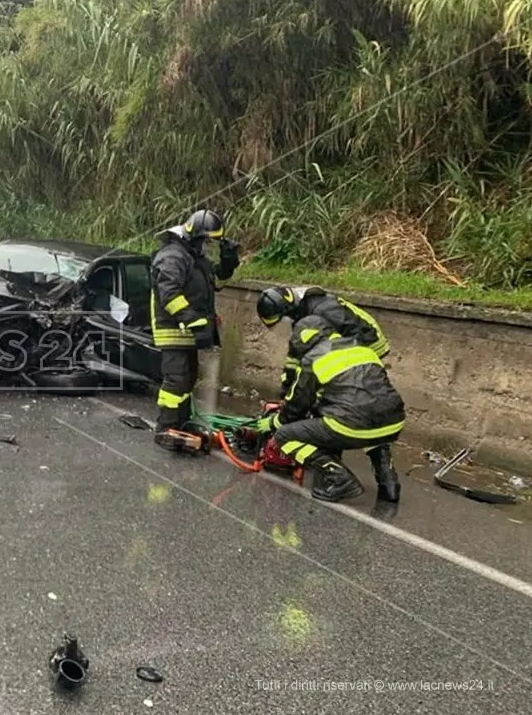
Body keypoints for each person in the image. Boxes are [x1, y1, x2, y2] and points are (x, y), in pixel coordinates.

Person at [255, 315, 404, 503]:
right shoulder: (361, 348)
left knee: (285, 436)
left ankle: (339, 477)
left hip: (352, 424)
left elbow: (297, 406)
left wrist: (273, 422)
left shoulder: (313, 359)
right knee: (371, 426)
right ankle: (389, 484)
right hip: (393, 423)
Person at [149, 209, 240, 444]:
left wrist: (228, 260)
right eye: (206, 241)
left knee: (188, 378)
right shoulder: (172, 256)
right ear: (195, 236)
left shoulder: (194, 258)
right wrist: (191, 318)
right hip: (173, 328)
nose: (207, 246)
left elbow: (216, 281)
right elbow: (168, 293)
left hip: (189, 330)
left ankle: (181, 422)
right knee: (176, 379)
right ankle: (165, 427)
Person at [256, 285, 389, 396]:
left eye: (281, 321)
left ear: (287, 312)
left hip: (369, 343)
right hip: (347, 341)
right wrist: (287, 389)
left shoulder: (324, 310)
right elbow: (296, 356)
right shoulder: (301, 313)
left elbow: (357, 333)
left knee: (333, 387)